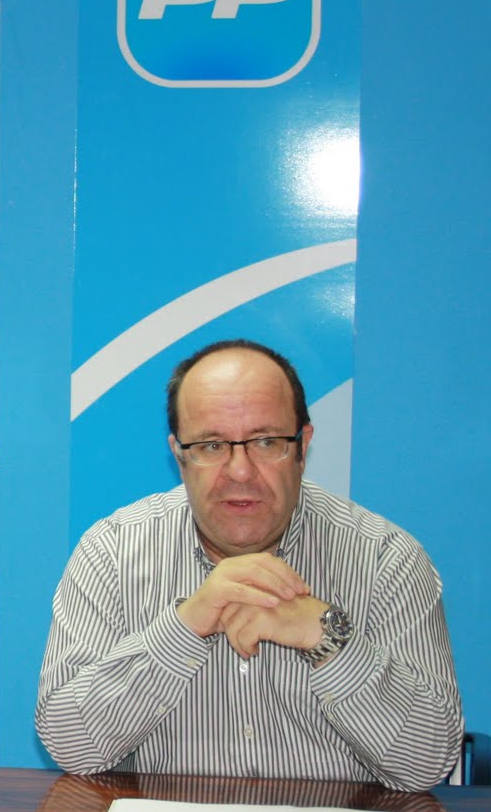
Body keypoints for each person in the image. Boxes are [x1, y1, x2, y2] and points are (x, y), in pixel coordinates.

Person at [36, 339, 461, 791]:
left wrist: (327, 637)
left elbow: (426, 764)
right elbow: (71, 745)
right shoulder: (112, 552)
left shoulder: (385, 558)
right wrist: (185, 626)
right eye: (211, 445)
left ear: (302, 447)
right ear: (179, 455)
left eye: (266, 442)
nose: (240, 471)